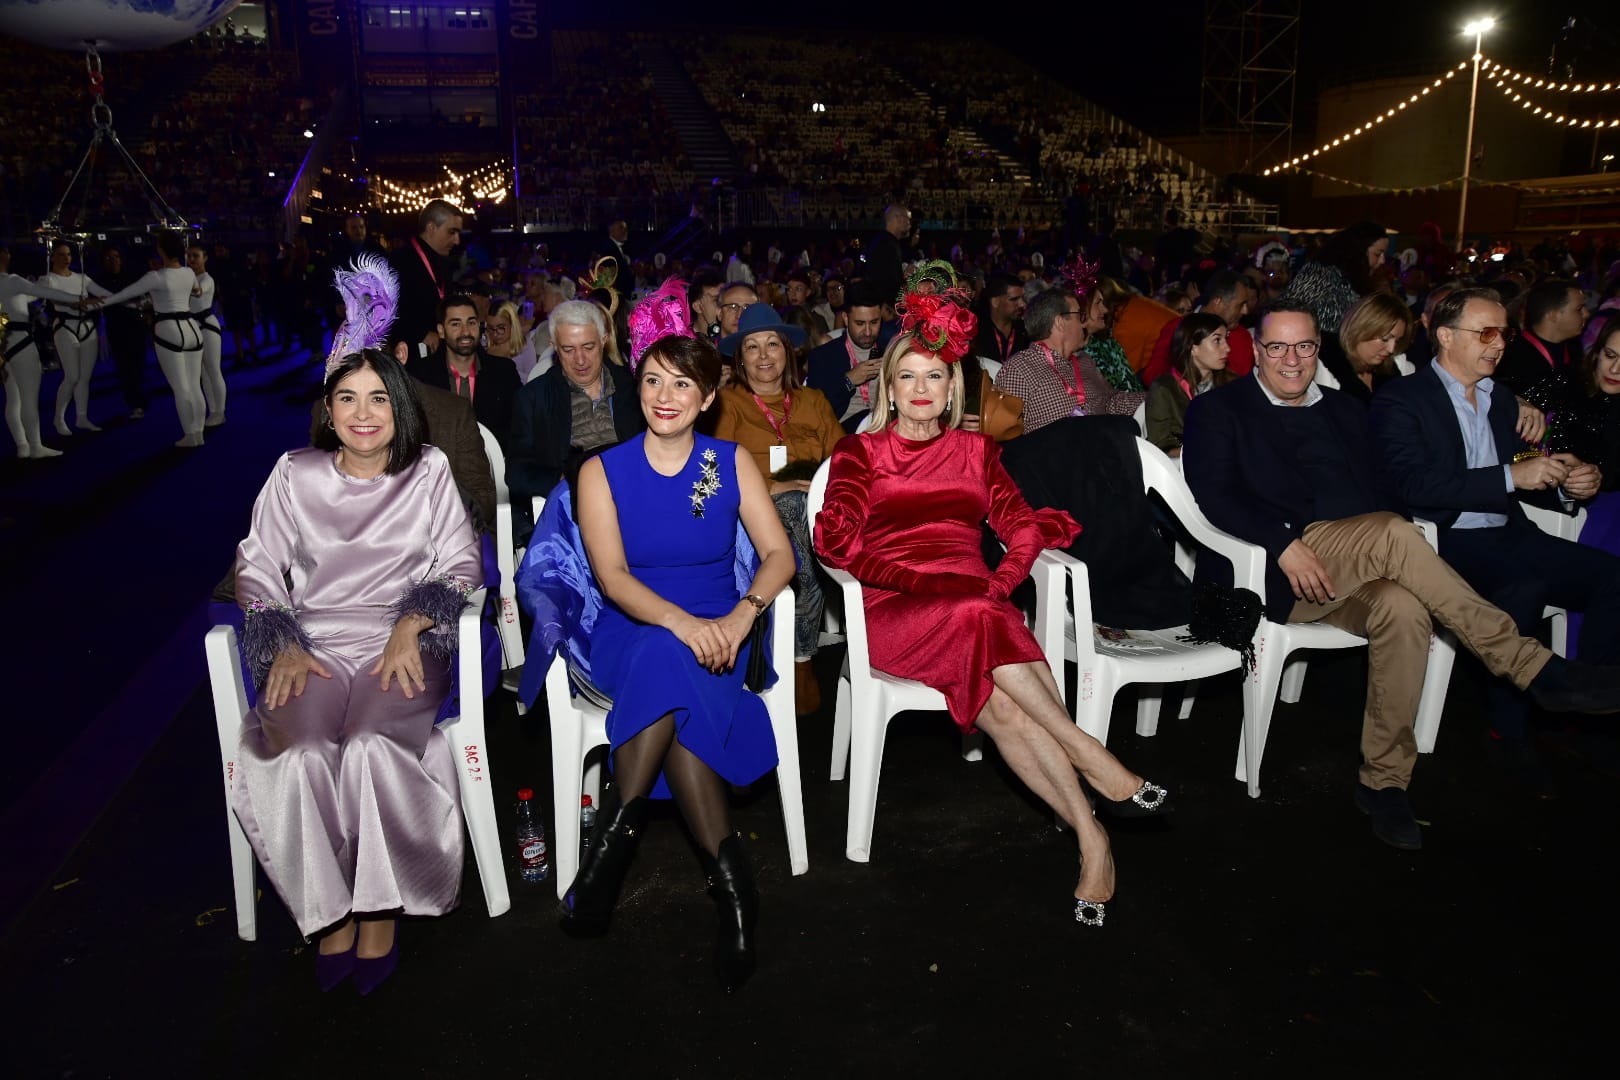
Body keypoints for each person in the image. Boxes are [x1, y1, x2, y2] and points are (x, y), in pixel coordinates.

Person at [1184, 300, 1620, 850]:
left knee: (1404, 607)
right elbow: (1214, 497)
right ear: (1256, 348)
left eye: (1304, 346)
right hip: (1277, 569)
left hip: (1354, 566)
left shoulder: (1345, 409)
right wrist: (1282, 543)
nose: (1291, 359)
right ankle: (1533, 668)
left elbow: (1392, 487)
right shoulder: (1220, 409)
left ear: (1319, 350)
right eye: (1277, 347)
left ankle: (1383, 782)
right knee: (1391, 531)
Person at [813, 287, 1171, 927]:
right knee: (983, 619)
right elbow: (834, 545)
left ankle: (1092, 840)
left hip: (976, 601)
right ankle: (1087, 751)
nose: (922, 389)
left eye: (935, 376)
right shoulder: (859, 454)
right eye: (908, 377)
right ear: (889, 388)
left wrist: (1000, 583)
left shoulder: (978, 453)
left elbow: (1025, 528)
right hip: (896, 609)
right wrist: (936, 588)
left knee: (1003, 700)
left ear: (952, 388)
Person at [232, 270, 481, 992]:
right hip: (310, 646)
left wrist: (413, 622)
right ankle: (330, 913)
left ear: (398, 405)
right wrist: (277, 637)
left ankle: (379, 910)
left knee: (373, 747)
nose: (364, 414)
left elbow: (463, 558)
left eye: (378, 398)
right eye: (347, 399)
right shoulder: (293, 473)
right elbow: (256, 565)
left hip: (400, 642)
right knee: (302, 752)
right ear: (328, 409)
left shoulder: (428, 470)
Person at [565, 333, 796, 993]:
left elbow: (780, 557)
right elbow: (610, 577)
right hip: (633, 630)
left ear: (708, 397)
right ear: (636, 387)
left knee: (680, 690)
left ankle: (609, 852)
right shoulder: (599, 469)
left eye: (682, 385)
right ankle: (737, 898)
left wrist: (741, 615)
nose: (665, 397)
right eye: (653, 381)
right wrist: (681, 624)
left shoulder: (733, 460)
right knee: (668, 659)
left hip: (724, 632)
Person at [1371, 287, 1620, 795]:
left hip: (1508, 531)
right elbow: (1414, 486)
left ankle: (1588, 704)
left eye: (1503, 333)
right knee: (1522, 587)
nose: (1498, 344)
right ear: (1444, 336)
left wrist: (1570, 483)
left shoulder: (1501, 398)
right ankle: (1507, 732)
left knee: (1611, 576)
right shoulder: (1403, 398)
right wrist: (1511, 477)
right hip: (1445, 542)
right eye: (1484, 333)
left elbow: (1523, 475)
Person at [714, 303, 843, 714]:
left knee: (807, 508)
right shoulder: (727, 405)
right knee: (791, 504)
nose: (765, 355)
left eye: (773, 344)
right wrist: (773, 486)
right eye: (753, 347)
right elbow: (716, 472)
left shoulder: (814, 401)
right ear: (740, 357)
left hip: (818, 508)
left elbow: (844, 461)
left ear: (788, 352)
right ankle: (802, 659)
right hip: (752, 515)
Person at [507, 299, 644, 543]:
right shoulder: (533, 398)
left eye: (588, 347)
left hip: (635, 502)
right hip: (571, 516)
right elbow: (516, 473)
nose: (580, 360)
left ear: (604, 340)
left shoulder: (634, 388)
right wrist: (561, 480)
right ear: (554, 348)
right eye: (568, 350)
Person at [93, 231, 206, 447]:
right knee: (194, 385)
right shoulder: (188, 273)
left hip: (169, 329)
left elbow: (121, 295)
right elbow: (197, 292)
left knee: (181, 388)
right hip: (192, 328)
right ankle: (198, 432)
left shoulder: (155, 276)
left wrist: (94, 303)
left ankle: (191, 435)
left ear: (161, 249)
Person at [994, 285, 1146, 434]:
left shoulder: (1084, 362)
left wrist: (1153, 399)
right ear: (1060, 322)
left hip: (1102, 445)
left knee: (1129, 426)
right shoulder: (1020, 369)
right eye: (1080, 316)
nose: (1085, 323)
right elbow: (1005, 435)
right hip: (1053, 453)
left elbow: (1111, 402)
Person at [2, 245, 90, 458]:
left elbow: (27, 297)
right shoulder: (12, 280)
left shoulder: (14, 285)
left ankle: (22, 446)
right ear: (4, 256)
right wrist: (78, 299)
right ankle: (35, 446)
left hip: (3, 344)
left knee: (13, 398)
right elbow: (45, 293)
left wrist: (40, 283)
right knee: (29, 399)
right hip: (20, 341)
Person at [405, 293, 521, 450]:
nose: (465, 331)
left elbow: (519, 430)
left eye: (471, 322)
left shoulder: (503, 372)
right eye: (455, 324)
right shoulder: (420, 375)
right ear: (441, 331)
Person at [41, 240, 110, 434]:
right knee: (72, 376)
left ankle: (82, 417)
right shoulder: (48, 279)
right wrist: (83, 301)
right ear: (53, 256)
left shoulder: (82, 278)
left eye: (69, 254)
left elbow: (104, 294)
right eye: (61, 254)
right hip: (65, 327)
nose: (66, 258)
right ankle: (58, 418)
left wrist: (129, 299)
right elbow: (56, 298)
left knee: (84, 378)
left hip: (87, 326)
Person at [1280, 221, 1389, 342]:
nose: (1382, 261)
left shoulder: (1350, 279)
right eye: (1377, 254)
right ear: (1359, 251)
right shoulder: (1319, 275)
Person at [1144, 312, 1232, 455]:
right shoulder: (1165, 389)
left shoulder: (1232, 383)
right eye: (1217, 340)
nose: (1227, 348)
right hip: (1182, 468)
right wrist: (1203, 451)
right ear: (1193, 347)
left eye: (1226, 339)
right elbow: (1160, 448)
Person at [806, 281, 887, 433]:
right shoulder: (824, 356)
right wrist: (849, 380)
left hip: (887, 431)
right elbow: (813, 409)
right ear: (845, 318)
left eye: (874, 322)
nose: (868, 331)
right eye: (860, 323)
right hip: (844, 436)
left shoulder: (891, 350)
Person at [389, 199, 463, 359]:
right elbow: (385, 311)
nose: (457, 240)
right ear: (431, 228)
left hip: (438, 352)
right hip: (409, 357)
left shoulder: (444, 260)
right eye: (452, 232)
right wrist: (420, 333)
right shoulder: (398, 262)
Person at [1313, 292, 1413, 404]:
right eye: (1385, 339)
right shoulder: (1322, 365)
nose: (1391, 349)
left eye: (1397, 341)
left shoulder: (1390, 372)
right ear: (1361, 329)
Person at [1495, 278, 1590, 394]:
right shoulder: (1512, 357)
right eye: (1579, 309)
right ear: (1553, 315)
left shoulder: (1574, 349)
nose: (1587, 314)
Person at [98, 247, 150, 420]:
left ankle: (139, 397)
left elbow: (144, 298)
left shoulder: (132, 278)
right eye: (109, 257)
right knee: (124, 367)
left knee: (138, 364)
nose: (113, 260)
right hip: (116, 328)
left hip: (136, 327)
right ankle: (135, 402)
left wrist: (144, 311)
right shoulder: (99, 281)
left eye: (116, 256)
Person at [186, 244, 228, 428]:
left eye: (196, 256)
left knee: (213, 369)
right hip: (194, 327)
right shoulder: (191, 278)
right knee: (203, 373)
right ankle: (213, 410)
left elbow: (198, 292)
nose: (192, 260)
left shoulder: (206, 279)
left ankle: (220, 412)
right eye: (189, 256)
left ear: (205, 258)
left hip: (208, 326)